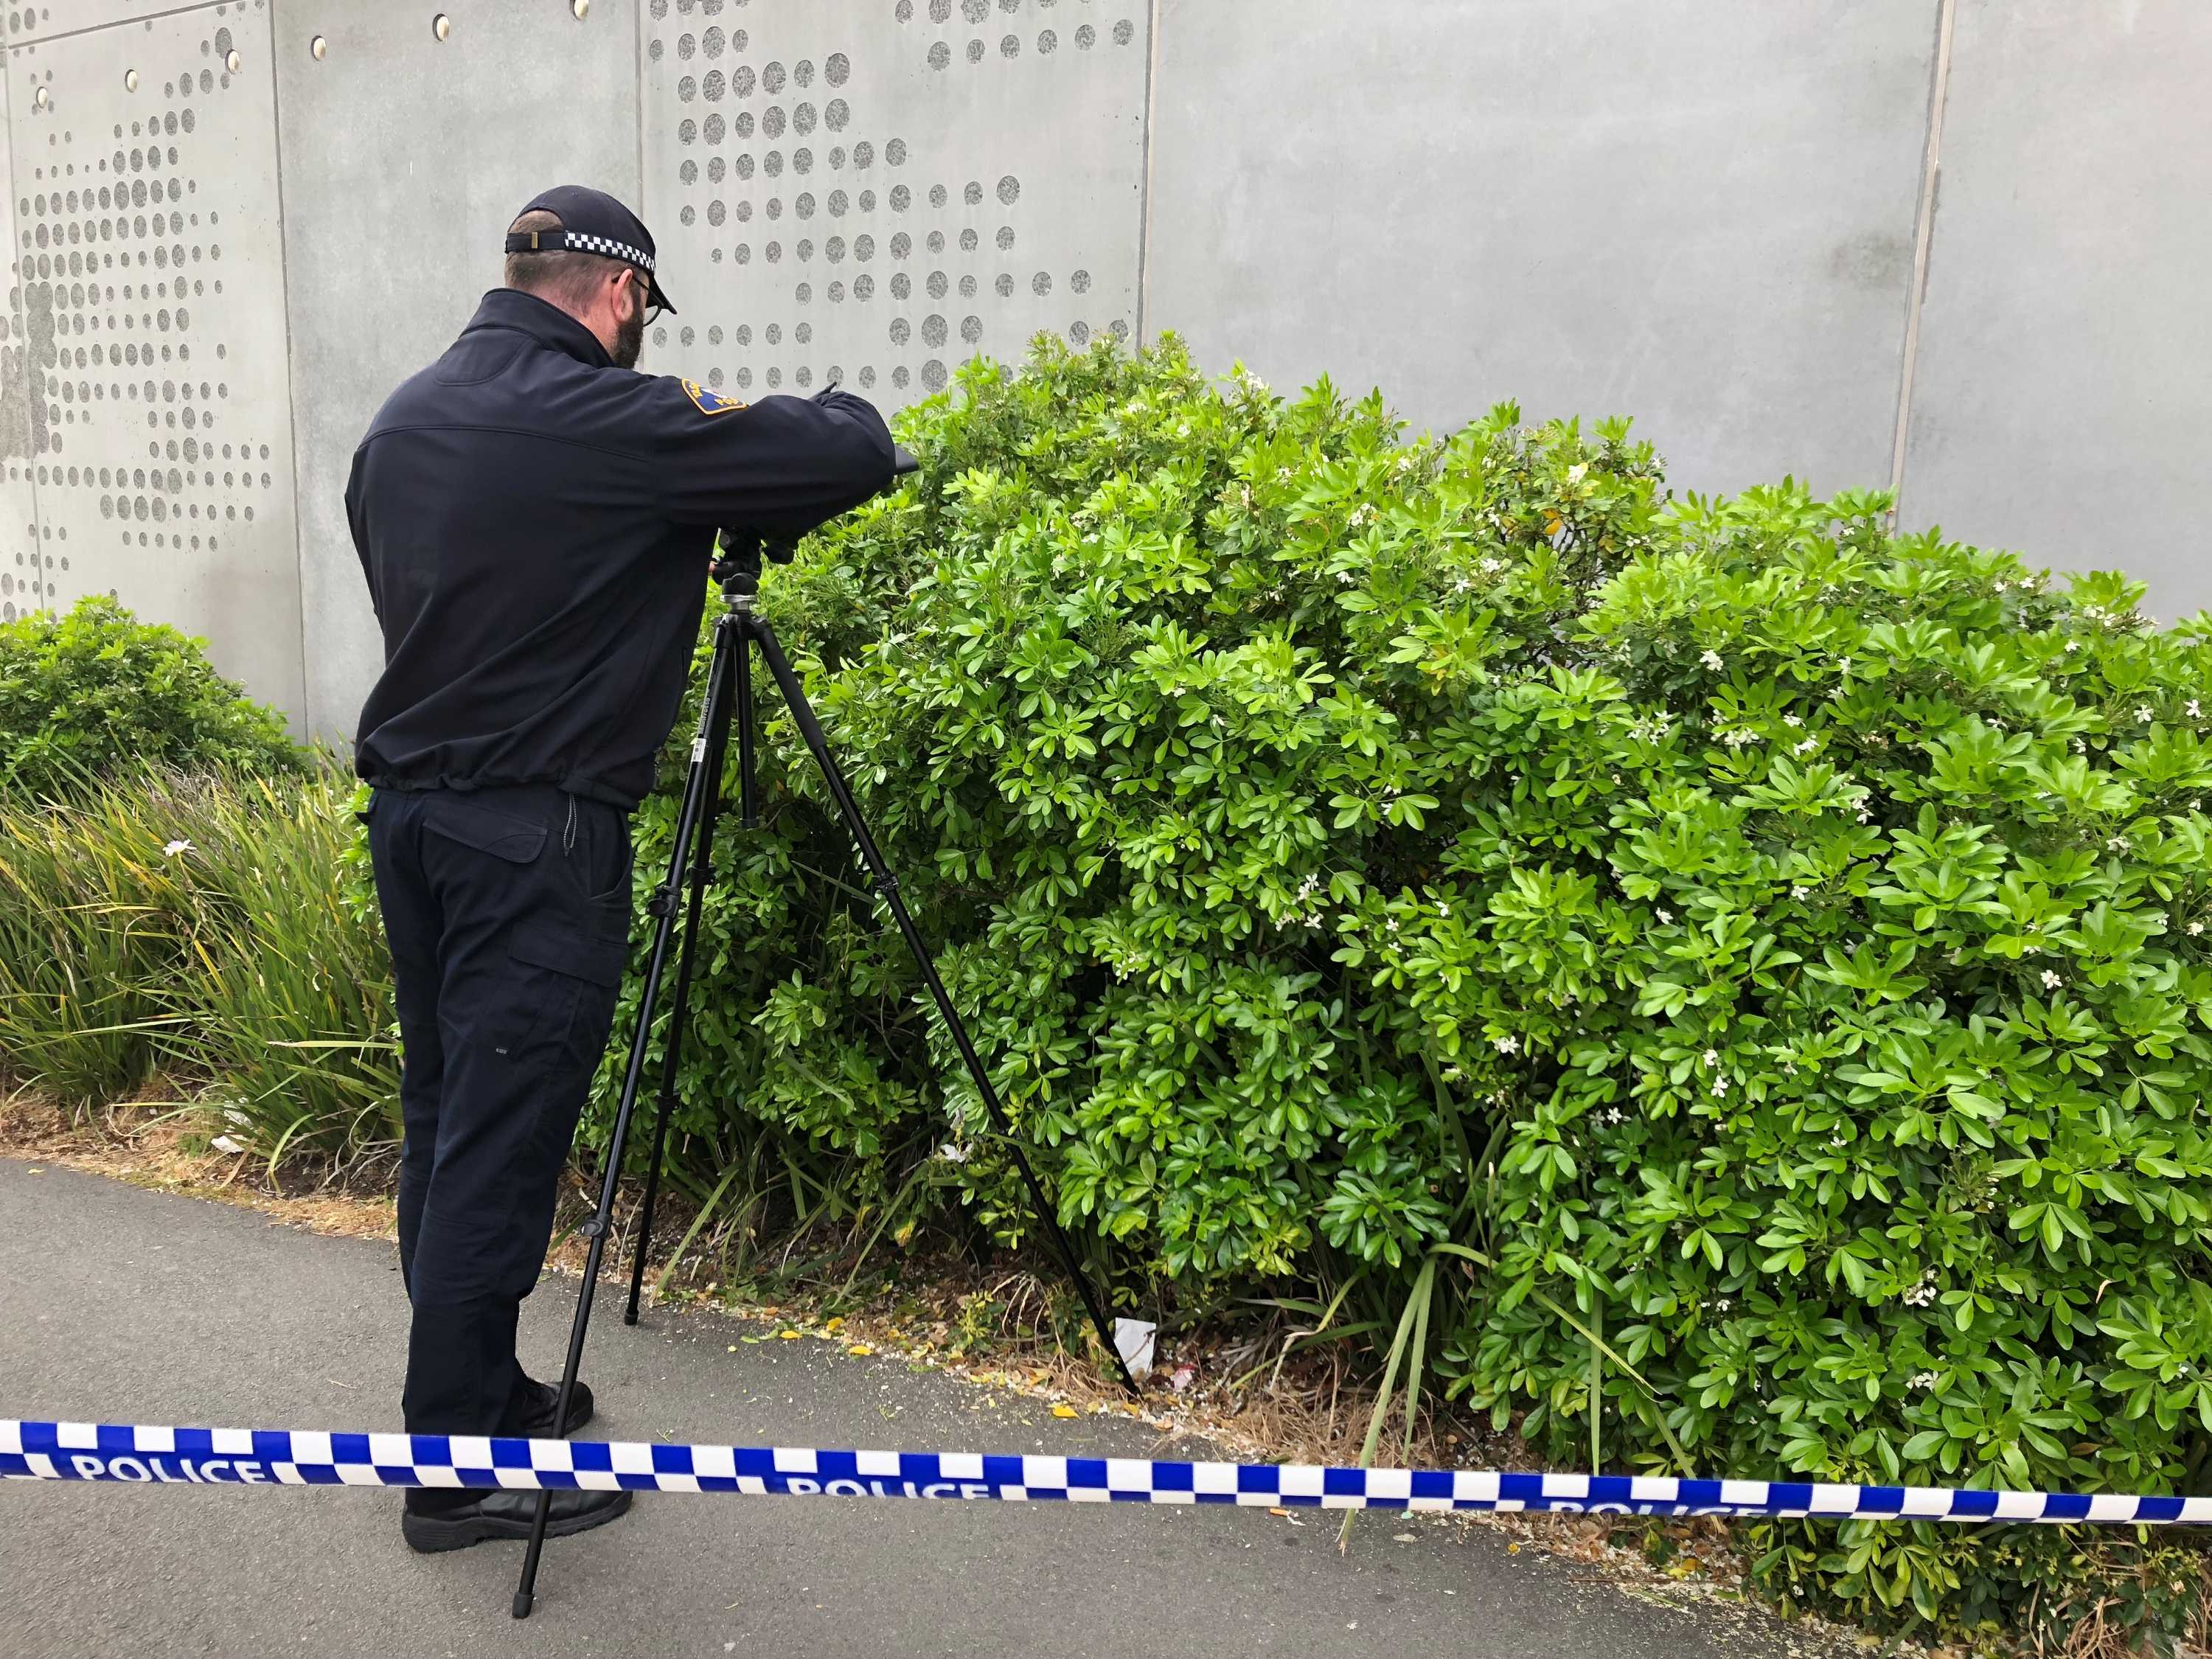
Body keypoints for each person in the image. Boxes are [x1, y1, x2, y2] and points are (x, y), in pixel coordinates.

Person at [347, 185, 895, 1553]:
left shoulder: (403, 420)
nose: (641, 332)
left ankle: (479, 1389)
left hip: (413, 824)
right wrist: (829, 405)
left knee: (447, 1120)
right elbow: (842, 452)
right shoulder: (604, 421)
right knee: (503, 1144)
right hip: (535, 838)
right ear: (616, 295)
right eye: (642, 311)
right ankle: (455, 1471)